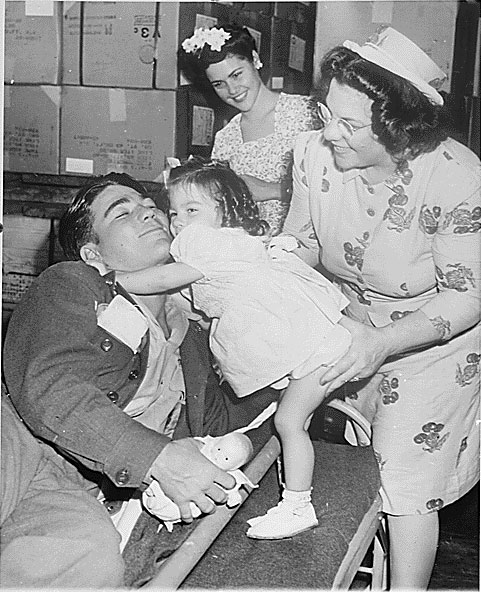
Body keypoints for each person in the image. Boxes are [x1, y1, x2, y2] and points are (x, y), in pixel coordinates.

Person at [1, 172, 275, 587]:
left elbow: (224, 425)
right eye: (122, 212)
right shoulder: (74, 285)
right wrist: (158, 458)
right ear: (94, 253)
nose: (148, 211)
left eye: (148, 205)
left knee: (89, 563)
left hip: (75, 487)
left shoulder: (194, 332)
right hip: (18, 440)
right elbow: (50, 385)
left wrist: (300, 380)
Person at [282, 26, 480, 588]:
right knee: (359, 461)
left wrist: (384, 342)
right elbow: (305, 240)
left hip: (433, 343)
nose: (330, 133)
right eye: (326, 113)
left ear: (396, 129)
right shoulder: (312, 154)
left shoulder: (457, 179)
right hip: (350, 324)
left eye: (349, 124)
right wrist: (274, 256)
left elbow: (469, 293)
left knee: (405, 478)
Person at [107, 157, 353, 540]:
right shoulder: (234, 240)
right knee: (293, 419)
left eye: (192, 210)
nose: (178, 222)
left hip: (311, 347)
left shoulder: (203, 242)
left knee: (289, 421)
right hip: (311, 339)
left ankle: (297, 505)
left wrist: (116, 279)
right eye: (174, 213)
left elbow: (168, 277)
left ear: (222, 210)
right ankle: (293, 488)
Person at [181, 25, 316, 236]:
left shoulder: (305, 113)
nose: (232, 90)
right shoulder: (225, 139)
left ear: (254, 60)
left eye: (236, 75)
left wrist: (273, 190)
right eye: (219, 84)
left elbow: (338, 190)